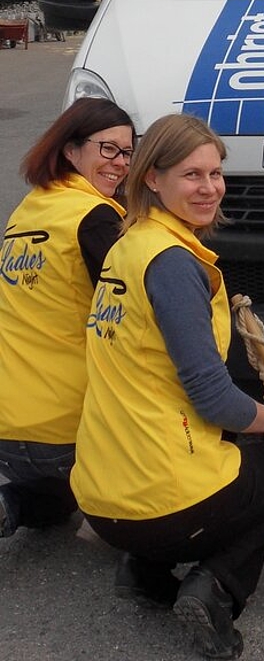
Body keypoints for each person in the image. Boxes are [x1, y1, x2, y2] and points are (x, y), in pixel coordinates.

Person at [69, 114, 264, 660]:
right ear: (152, 179)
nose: (209, 188)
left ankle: (144, 571)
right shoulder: (174, 265)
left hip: (99, 498)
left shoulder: (126, 248)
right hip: (157, 501)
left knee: (241, 447)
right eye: (192, 175)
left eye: (216, 173)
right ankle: (216, 587)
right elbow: (211, 396)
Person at [0, 97, 135, 539]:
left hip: (7, 429)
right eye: (108, 149)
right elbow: (134, 322)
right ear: (70, 151)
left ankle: (11, 502)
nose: (120, 163)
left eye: (129, 152)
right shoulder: (95, 219)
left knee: (62, 498)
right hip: (67, 432)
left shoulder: (29, 210)